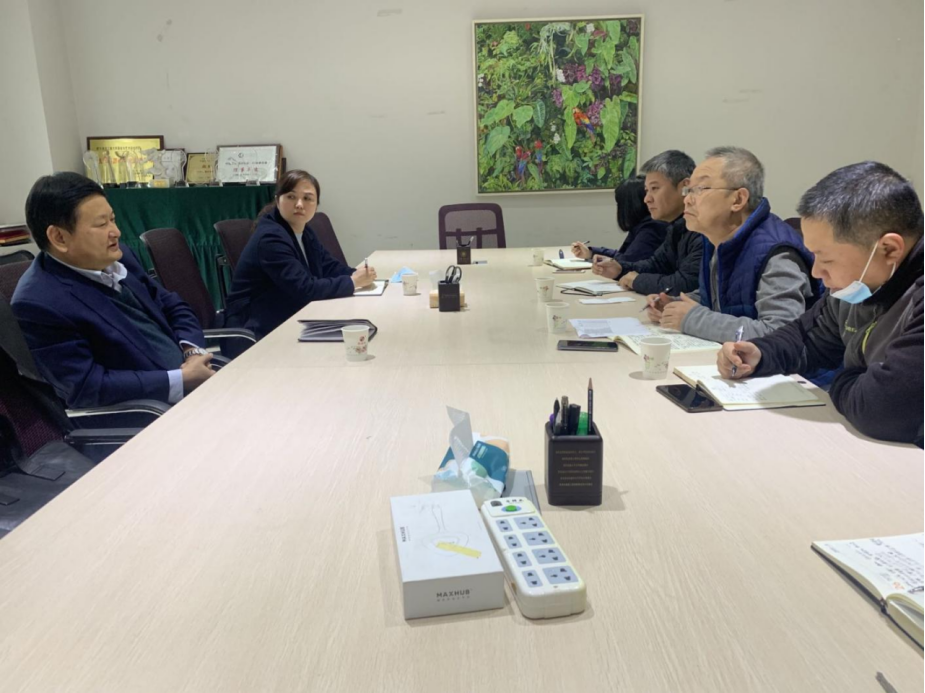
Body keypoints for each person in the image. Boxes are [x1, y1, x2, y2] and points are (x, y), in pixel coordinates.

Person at [718, 162, 924, 447]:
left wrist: (843, 378)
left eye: (826, 259)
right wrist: (760, 353)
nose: (816, 272)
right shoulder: (860, 284)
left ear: (889, 249)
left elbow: (884, 410)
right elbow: (808, 338)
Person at [12, 173, 213, 409]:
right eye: (101, 224)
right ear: (59, 237)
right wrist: (181, 379)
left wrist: (192, 351)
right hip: (150, 413)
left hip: (194, 384)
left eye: (113, 219)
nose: (116, 231)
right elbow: (87, 387)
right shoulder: (38, 303)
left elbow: (172, 305)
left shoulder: (120, 258)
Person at [646, 147, 823, 343]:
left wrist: (692, 319)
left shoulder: (777, 254)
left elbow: (780, 333)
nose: (687, 199)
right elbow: (723, 298)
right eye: (688, 190)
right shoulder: (717, 239)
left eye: (700, 189)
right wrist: (674, 305)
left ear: (738, 199)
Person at [225, 171, 378, 339]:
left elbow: (328, 266)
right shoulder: (270, 238)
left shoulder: (303, 231)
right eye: (291, 197)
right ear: (277, 200)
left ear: (316, 205)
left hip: (286, 316)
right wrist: (353, 282)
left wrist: (357, 274)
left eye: (307, 198)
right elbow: (305, 289)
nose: (299, 204)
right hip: (255, 330)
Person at [590, 150, 703, 296]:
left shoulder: (703, 228)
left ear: (685, 187)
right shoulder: (677, 226)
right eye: (646, 191)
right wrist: (620, 269)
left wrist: (637, 281)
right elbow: (656, 265)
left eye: (654, 188)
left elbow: (686, 284)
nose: (647, 199)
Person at [571, 178, 668, 264]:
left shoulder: (651, 228)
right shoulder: (642, 225)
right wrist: (590, 253)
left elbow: (626, 262)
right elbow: (624, 255)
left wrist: (596, 257)